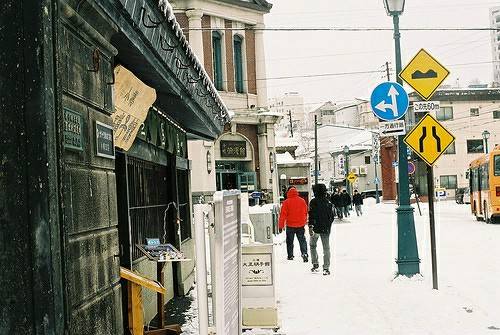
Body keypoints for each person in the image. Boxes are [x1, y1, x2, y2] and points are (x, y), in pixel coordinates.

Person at [309, 184, 335, 276]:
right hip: (326, 229)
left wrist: (310, 226)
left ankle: (315, 264)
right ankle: (326, 268)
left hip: (315, 228)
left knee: (312, 245)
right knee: (326, 248)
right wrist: (328, 226)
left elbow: (311, 215)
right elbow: (331, 217)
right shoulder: (328, 203)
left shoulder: (313, 202)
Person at [278, 186, 309, 262]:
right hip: (300, 225)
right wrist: (304, 221)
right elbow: (305, 212)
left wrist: (280, 226)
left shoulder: (286, 202)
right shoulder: (302, 201)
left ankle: (290, 255)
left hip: (290, 225)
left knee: (289, 241)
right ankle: (304, 253)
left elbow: (283, 215)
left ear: (288, 193)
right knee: (302, 240)